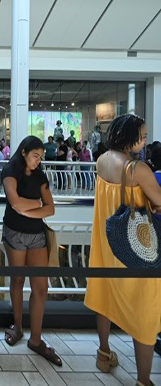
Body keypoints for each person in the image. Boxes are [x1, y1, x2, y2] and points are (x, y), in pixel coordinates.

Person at [84, 114, 161, 386]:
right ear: (129, 137)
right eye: (141, 135)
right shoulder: (137, 169)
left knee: (104, 295)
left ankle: (104, 354)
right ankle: (143, 380)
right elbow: (158, 200)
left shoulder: (101, 161)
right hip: (134, 249)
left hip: (108, 242)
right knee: (146, 309)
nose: (144, 140)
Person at [1, 136, 61, 366]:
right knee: (17, 280)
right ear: (24, 152)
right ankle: (17, 325)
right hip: (14, 232)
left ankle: (36, 338)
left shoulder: (40, 175)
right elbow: (15, 203)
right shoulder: (11, 170)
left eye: (41, 157)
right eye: (35, 156)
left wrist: (30, 209)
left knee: (41, 287)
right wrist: (37, 204)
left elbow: (51, 208)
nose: (38, 160)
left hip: (36, 234)